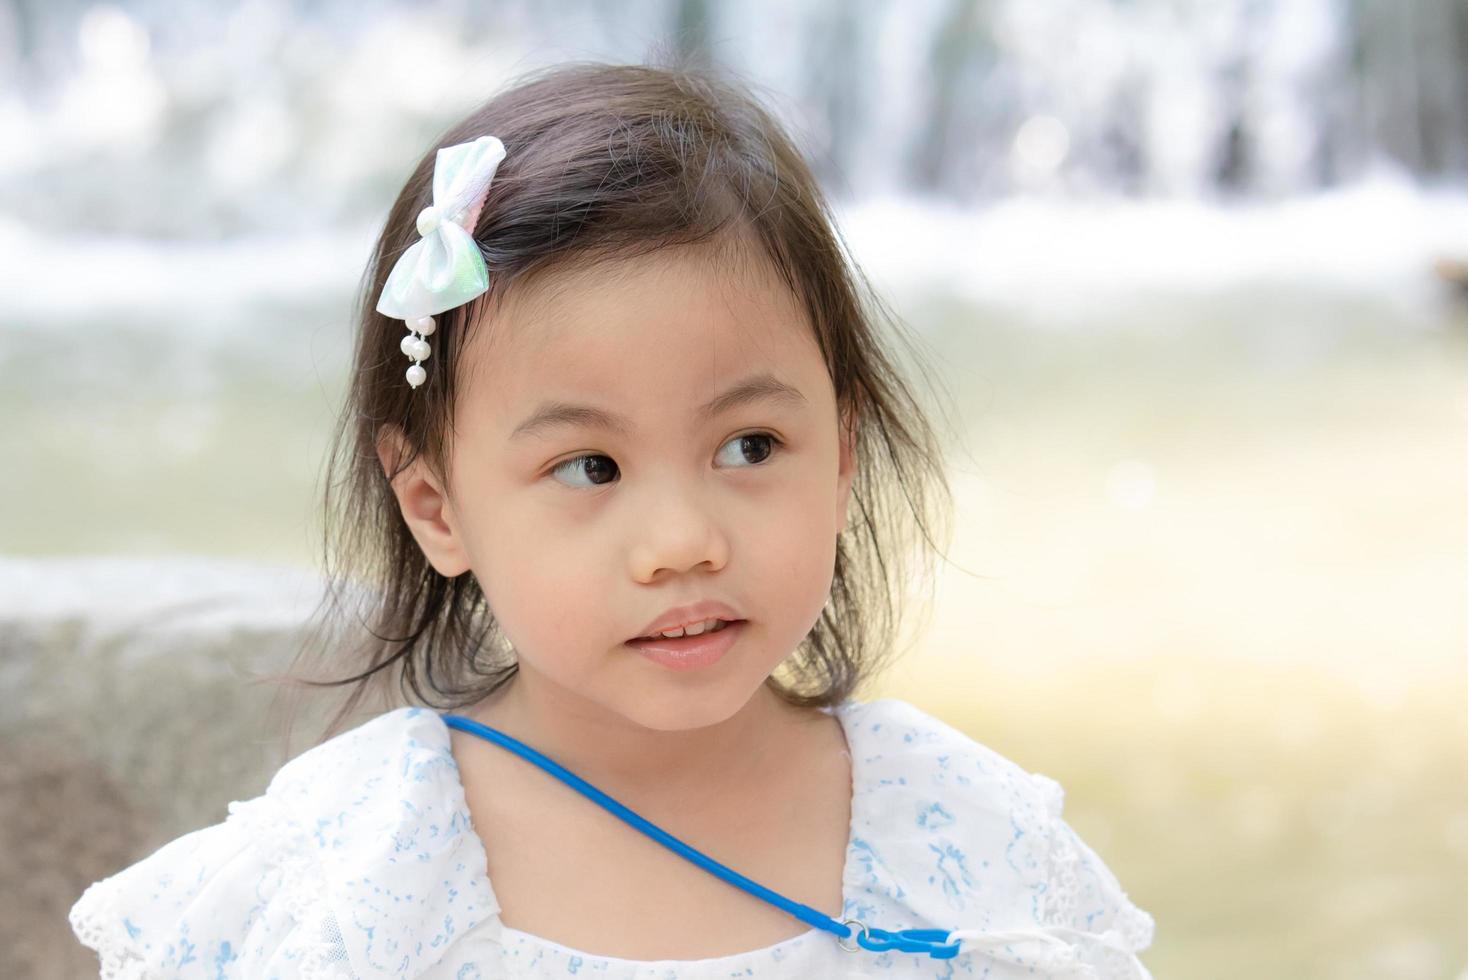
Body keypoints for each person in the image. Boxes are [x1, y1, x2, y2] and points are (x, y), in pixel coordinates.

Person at [68, 59, 1156, 979]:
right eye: (590, 465)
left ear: (843, 455)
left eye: (750, 447)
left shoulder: (961, 835)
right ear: (436, 509)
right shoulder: (362, 864)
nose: (682, 538)